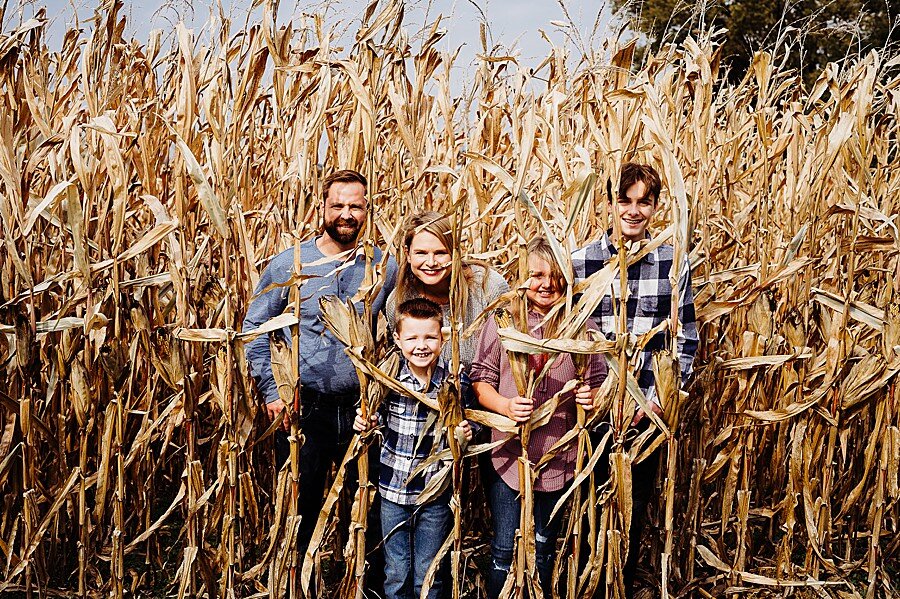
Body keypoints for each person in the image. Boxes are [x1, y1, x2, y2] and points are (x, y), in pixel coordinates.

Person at [242, 169, 397, 551]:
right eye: (338, 205)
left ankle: (365, 586)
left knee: (372, 508)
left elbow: (402, 331)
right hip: (304, 406)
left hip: (364, 409)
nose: (346, 214)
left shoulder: (384, 267)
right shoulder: (290, 264)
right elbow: (256, 327)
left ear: (367, 210)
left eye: (356, 206)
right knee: (300, 507)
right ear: (321, 208)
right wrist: (272, 390)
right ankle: (296, 583)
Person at [571, 162, 699, 597]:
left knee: (632, 508)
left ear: (656, 206)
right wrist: (583, 394)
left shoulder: (672, 261)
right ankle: (584, 585)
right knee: (586, 508)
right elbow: (568, 338)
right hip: (591, 413)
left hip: (648, 413)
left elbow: (686, 339)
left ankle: (618, 585)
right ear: (608, 204)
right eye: (624, 200)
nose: (633, 210)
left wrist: (662, 402)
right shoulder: (581, 262)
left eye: (644, 201)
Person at [470, 236, 607, 598]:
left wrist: (588, 397)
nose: (547, 284)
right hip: (508, 454)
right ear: (522, 277)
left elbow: (598, 385)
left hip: (558, 455)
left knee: (544, 545)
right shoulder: (502, 320)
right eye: (537, 274)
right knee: (503, 547)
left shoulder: (582, 326)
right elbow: (481, 381)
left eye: (556, 275)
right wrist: (504, 406)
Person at [353, 298, 474, 599]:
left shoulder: (454, 379)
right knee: (396, 569)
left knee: (428, 571)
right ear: (397, 339)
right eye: (412, 338)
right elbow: (372, 415)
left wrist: (468, 432)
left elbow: (472, 418)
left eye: (430, 337)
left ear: (443, 337)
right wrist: (364, 422)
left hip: (435, 493)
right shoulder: (388, 378)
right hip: (393, 491)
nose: (421, 345)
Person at [386, 211, 509, 373]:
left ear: (455, 252)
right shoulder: (399, 301)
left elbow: (508, 358)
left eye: (440, 253)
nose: (431, 263)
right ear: (408, 254)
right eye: (421, 253)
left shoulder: (489, 287)